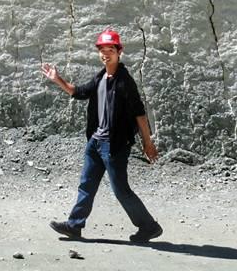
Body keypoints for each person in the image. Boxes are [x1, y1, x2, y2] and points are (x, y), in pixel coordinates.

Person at [40, 28, 163, 242]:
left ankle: (149, 227)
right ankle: (75, 225)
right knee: (86, 185)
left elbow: (140, 115)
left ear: (118, 52)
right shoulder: (100, 77)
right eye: (102, 49)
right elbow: (78, 92)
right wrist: (57, 79)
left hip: (114, 145)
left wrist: (148, 143)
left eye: (110, 49)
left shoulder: (125, 82)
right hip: (96, 142)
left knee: (121, 190)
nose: (105, 53)